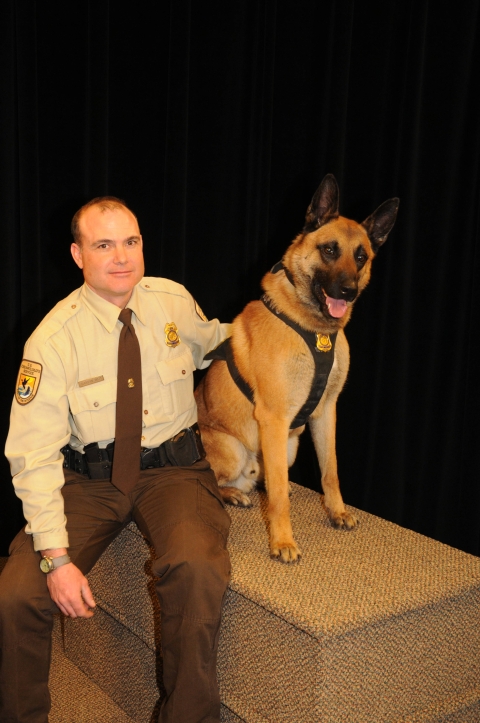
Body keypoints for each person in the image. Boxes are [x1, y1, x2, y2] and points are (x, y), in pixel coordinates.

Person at [0, 197, 232, 723]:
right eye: (104, 245)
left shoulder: (172, 302)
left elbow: (221, 344)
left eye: (131, 241)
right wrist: (57, 561)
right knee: (17, 594)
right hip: (90, 481)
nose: (122, 257)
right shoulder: (52, 340)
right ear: (79, 255)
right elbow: (32, 454)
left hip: (175, 473)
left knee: (195, 566)